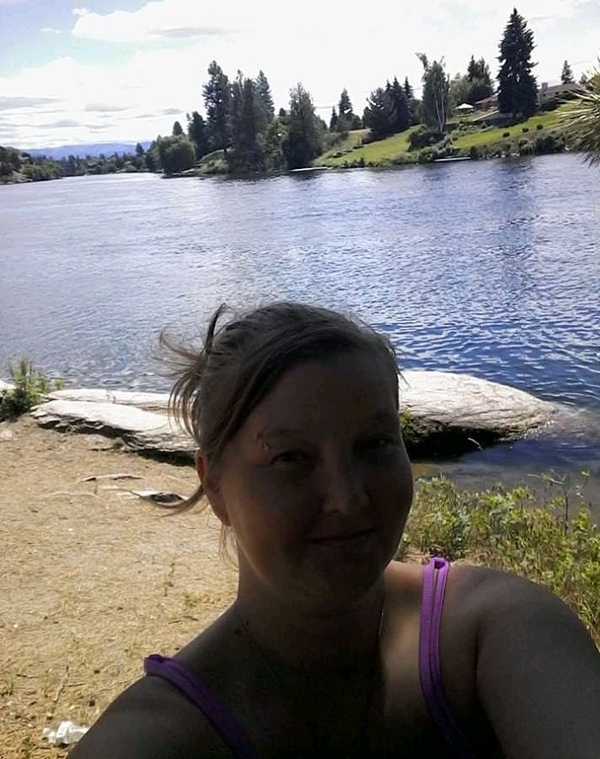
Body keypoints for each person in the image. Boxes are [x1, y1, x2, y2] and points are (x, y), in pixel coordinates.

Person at [72, 302, 600, 758]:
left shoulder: (493, 630)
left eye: (375, 444)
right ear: (214, 486)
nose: (347, 500)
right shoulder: (162, 735)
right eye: (290, 458)